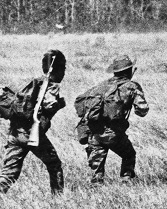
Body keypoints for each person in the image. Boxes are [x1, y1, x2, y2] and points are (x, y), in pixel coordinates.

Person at [0, 50, 67, 196]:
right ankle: (58, 199)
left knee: (8, 174)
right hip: (32, 134)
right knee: (54, 165)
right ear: (60, 69)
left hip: (15, 133)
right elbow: (49, 106)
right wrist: (59, 104)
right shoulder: (51, 85)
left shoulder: (31, 82)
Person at [75, 55, 149, 184]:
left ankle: (96, 188)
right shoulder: (131, 86)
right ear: (128, 71)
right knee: (129, 154)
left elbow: (81, 106)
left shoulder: (101, 86)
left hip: (93, 133)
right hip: (113, 134)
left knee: (96, 175)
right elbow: (142, 111)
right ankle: (126, 181)